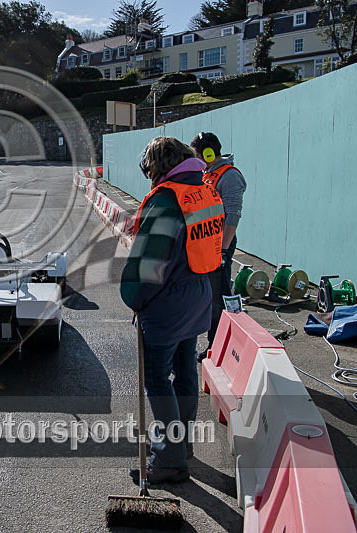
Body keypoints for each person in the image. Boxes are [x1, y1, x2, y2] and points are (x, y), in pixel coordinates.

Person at [120, 136, 224, 485]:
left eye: (149, 170)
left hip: (168, 303)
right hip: (198, 295)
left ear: (157, 167)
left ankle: (169, 458)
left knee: (156, 378)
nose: (149, 177)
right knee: (185, 371)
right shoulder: (203, 190)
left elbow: (149, 266)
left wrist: (133, 297)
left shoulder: (167, 200)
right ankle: (183, 444)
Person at [189, 132, 247, 361]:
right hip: (205, 246)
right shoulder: (207, 174)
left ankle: (216, 347)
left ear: (209, 153)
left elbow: (232, 216)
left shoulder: (230, 177)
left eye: (198, 155)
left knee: (217, 299)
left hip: (219, 248)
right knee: (205, 297)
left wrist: (222, 250)